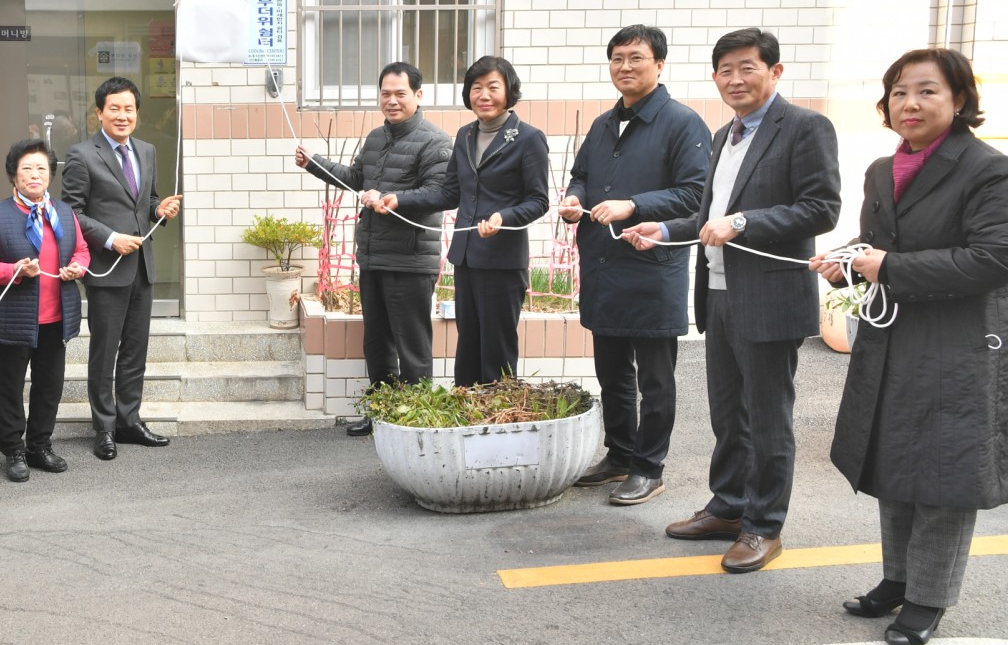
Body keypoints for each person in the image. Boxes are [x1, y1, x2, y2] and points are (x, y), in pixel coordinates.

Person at [810, 48, 1008, 645]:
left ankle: (928, 597)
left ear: (959, 101)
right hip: (896, 339)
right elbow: (879, 243)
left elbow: (994, 260)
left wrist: (886, 266)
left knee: (944, 475)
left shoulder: (993, 171)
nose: (910, 103)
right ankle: (898, 578)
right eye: (899, 92)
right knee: (895, 462)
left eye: (928, 91)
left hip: (962, 346)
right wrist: (847, 261)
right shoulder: (883, 170)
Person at [624, 28, 840, 573]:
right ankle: (728, 507)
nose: (735, 79)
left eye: (747, 67)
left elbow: (821, 208)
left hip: (770, 296)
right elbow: (708, 218)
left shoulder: (805, 127)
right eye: (725, 70)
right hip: (719, 293)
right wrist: (663, 230)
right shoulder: (725, 135)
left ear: (775, 71)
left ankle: (764, 526)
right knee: (728, 414)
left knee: (768, 419)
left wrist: (744, 223)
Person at [562, 25, 710, 506]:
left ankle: (649, 467)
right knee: (612, 373)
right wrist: (575, 199)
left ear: (660, 65)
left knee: (655, 379)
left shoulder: (683, 123)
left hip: (652, 268)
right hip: (605, 266)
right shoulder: (604, 123)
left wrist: (634, 204)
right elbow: (581, 175)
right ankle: (621, 454)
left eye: (636, 58)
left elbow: (696, 194)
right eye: (617, 58)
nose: (625, 66)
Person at [295, 61, 452, 436]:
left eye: (400, 94)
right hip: (373, 256)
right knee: (377, 343)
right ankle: (381, 413)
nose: (392, 101)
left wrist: (393, 199)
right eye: (385, 94)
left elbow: (438, 194)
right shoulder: (376, 137)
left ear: (418, 95)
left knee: (412, 345)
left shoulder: (436, 141)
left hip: (411, 260)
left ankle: (416, 421)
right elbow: (355, 178)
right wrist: (314, 163)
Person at [379, 56, 550, 386]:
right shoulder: (466, 134)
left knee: (496, 350)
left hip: (502, 262)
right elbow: (449, 194)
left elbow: (538, 201)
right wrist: (400, 199)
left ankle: (498, 413)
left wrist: (503, 217)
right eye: (476, 87)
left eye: (493, 87)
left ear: (510, 91)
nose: (483, 95)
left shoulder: (529, 138)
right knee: (468, 346)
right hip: (466, 258)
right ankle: (467, 410)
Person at [60, 77, 182, 461]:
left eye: (129, 108)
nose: (122, 115)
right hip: (107, 268)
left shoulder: (146, 151)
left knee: (135, 350)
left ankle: (130, 421)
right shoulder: (82, 155)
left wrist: (160, 209)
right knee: (105, 352)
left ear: (137, 113)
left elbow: (148, 201)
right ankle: (104, 428)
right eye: (114, 108)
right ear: (99, 112)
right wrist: (111, 239)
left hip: (142, 267)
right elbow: (71, 213)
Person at [0, 138, 90, 480]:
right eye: (26, 168)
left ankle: (39, 446)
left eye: (42, 168)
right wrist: (14, 270)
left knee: (49, 387)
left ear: (50, 174)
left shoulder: (64, 213)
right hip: (13, 319)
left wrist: (78, 267)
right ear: (14, 175)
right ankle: (13, 450)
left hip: (56, 318)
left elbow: (82, 250)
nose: (35, 174)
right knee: (9, 389)